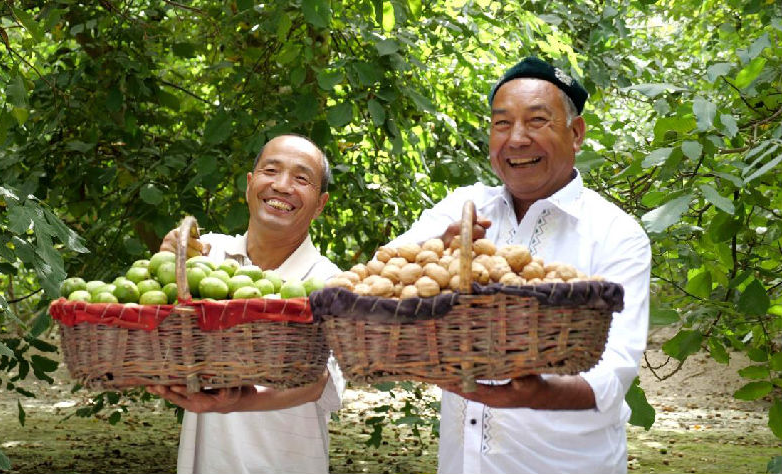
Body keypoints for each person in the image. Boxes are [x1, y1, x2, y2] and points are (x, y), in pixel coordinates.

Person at [388, 57, 652, 474]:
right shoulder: (462, 209)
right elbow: (371, 284)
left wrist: (536, 392)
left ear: (576, 133)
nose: (517, 138)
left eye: (537, 121)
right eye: (501, 123)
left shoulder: (615, 234)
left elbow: (614, 369)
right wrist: (439, 248)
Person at [147, 134, 345, 474]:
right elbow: (157, 336)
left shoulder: (330, 282)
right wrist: (164, 268)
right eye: (271, 170)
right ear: (250, 184)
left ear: (321, 203)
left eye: (301, 178)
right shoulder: (206, 256)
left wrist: (240, 401)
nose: (282, 186)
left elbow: (321, 383)